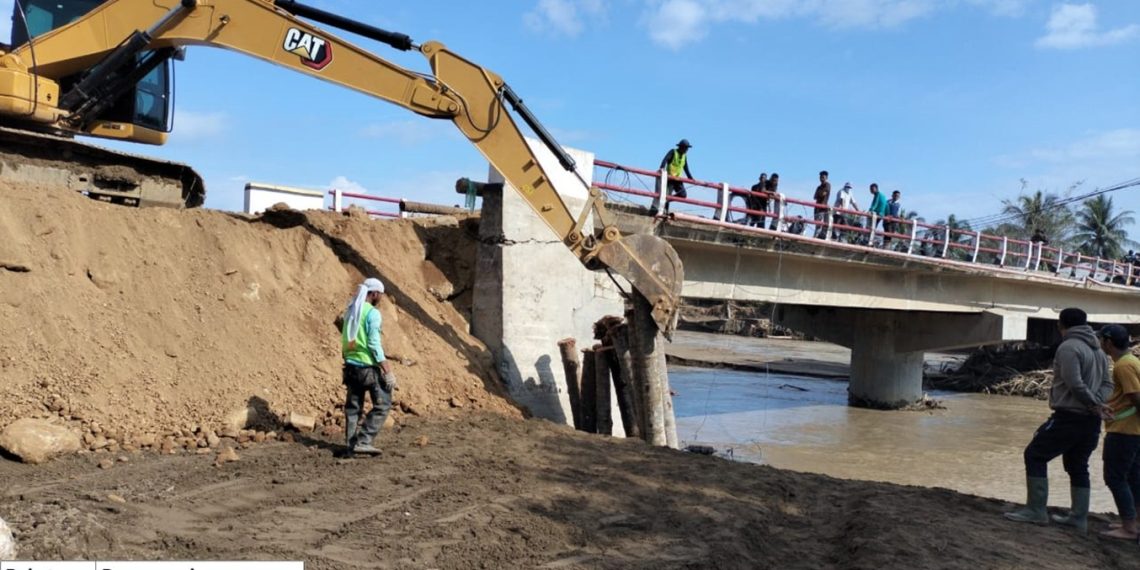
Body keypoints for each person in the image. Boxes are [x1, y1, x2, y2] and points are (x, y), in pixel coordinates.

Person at [1005, 308, 1111, 532]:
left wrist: (1092, 404)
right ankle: (1079, 517)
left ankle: (1036, 510)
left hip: (1069, 416)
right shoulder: (1099, 351)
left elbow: (1074, 383)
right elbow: (1107, 384)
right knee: (1078, 465)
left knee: (1034, 454)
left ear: (1060, 324)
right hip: (1091, 421)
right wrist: (1097, 404)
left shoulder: (1068, 347)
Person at [340, 277, 397, 457]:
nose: (380, 297)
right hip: (367, 369)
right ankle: (364, 441)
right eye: (380, 294)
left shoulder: (351, 311)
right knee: (383, 404)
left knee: (352, 408)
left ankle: (350, 447)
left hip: (350, 367)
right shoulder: (372, 313)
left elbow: (346, 340)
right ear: (374, 293)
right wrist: (387, 370)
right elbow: (373, 344)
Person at [1096, 324, 1140, 540]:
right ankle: (1134, 521)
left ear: (1108, 343)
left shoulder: (1123, 366)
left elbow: (1135, 396)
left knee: (1115, 477)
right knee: (1133, 477)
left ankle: (1129, 527)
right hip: (1133, 431)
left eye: (1101, 340)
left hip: (1124, 431)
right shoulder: (1132, 361)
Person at [813, 171, 831, 239]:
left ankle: (818, 238)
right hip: (817, 208)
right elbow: (815, 196)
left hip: (823, 208)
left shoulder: (828, 185)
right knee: (818, 224)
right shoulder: (819, 187)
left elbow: (823, 194)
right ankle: (816, 238)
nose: (821, 178)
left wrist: (820, 194)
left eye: (823, 177)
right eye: (820, 177)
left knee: (824, 225)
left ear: (826, 178)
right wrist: (820, 194)